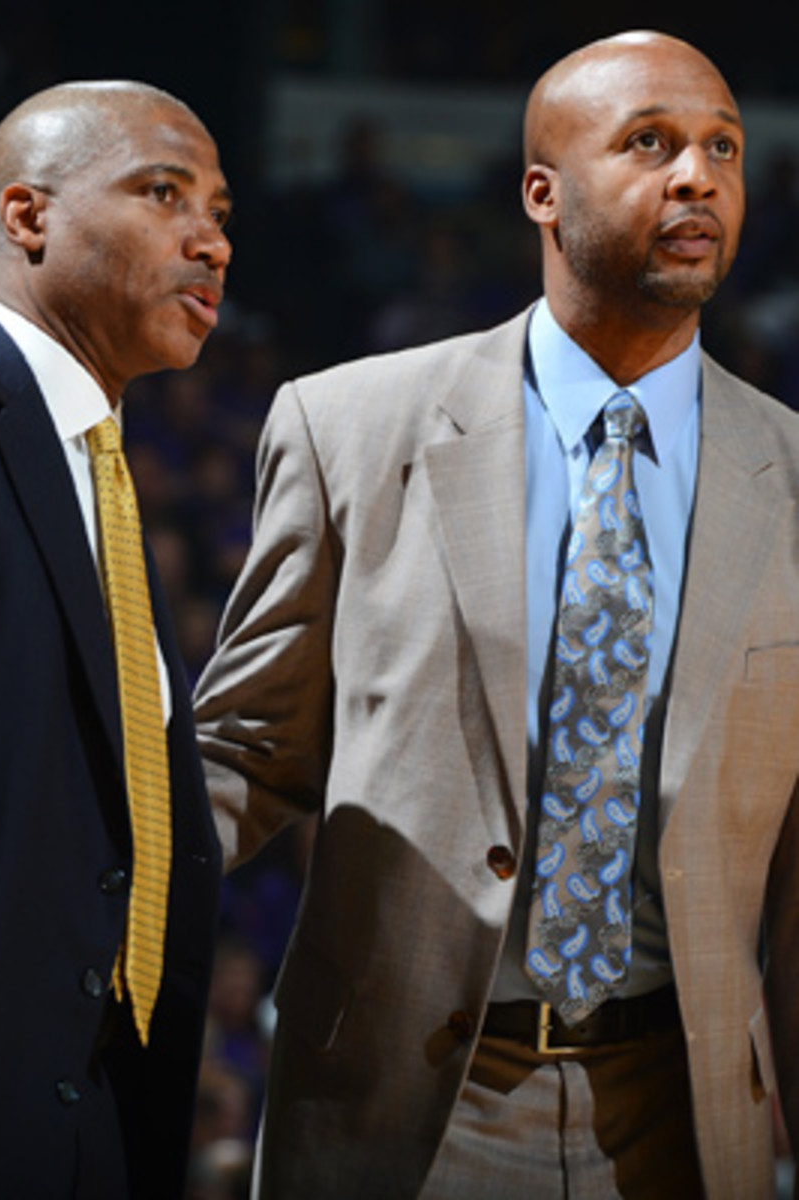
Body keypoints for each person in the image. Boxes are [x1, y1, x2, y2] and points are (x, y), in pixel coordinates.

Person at [194, 30, 799, 1200]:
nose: (698, 176)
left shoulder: (791, 472)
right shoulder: (347, 428)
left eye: (722, 147)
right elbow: (248, 754)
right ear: (541, 192)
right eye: (649, 144)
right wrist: (80, 890)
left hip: (685, 1115)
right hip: (406, 1112)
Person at [0, 79, 232, 1197]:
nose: (212, 242)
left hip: (93, 1121)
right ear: (30, 216)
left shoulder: (104, 471)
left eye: (223, 214)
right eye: (164, 193)